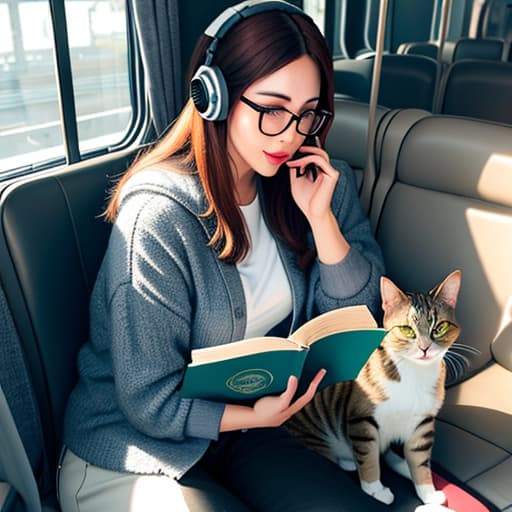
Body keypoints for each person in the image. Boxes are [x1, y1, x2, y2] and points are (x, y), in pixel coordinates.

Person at [58, 1, 385, 510]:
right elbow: (148, 400)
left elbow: (364, 314)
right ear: (214, 96)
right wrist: (253, 417)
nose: (291, 134)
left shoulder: (315, 183)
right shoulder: (158, 219)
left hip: (251, 428)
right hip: (133, 444)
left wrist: (322, 221)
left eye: (307, 114)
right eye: (272, 109)